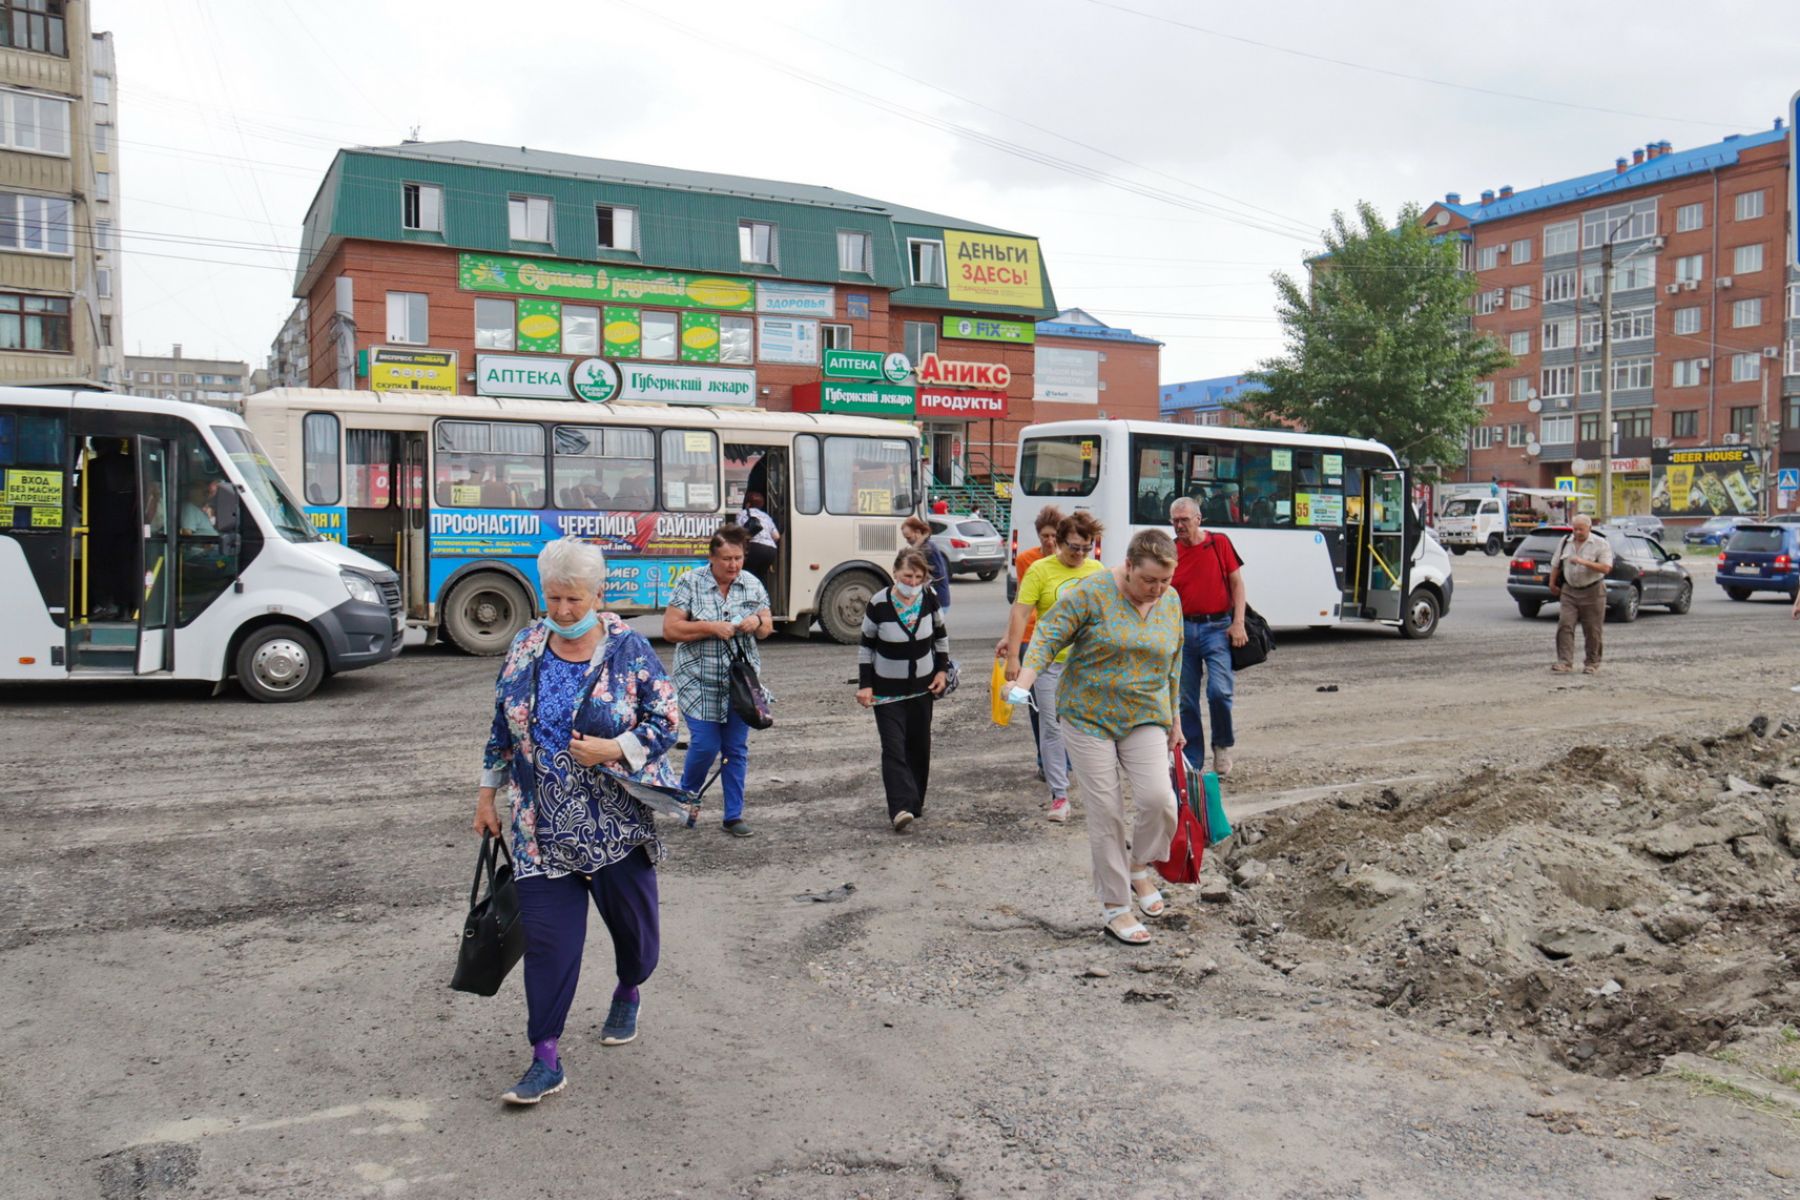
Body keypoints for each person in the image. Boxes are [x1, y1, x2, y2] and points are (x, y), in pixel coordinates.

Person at [472, 538, 684, 1106]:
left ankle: (628, 987)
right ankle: (545, 1056)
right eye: (553, 598)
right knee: (546, 945)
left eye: (574, 598)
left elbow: (666, 721)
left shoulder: (629, 650)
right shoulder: (524, 646)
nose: (563, 611)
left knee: (638, 942)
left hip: (615, 826)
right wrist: (487, 796)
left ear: (598, 593)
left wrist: (614, 747)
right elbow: (501, 725)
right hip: (540, 827)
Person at [1013, 530, 1185, 946]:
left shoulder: (1170, 601)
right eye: (1149, 581)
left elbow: (1174, 661)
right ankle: (1115, 908)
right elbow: (1048, 636)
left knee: (1160, 802)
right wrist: (1024, 680)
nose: (1157, 590)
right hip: (1087, 715)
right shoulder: (1093, 593)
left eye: (1165, 582)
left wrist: (1175, 719)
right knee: (1107, 809)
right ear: (1128, 567)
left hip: (1144, 713)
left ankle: (1139, 867)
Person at [663, 525, 774, 837]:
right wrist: (712, 628)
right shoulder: (690, 583)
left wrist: (758, 622)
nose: (733, 565)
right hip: (697, 681)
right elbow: (671, 630)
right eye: (726, 558)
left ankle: (733, 816)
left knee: (735, 748)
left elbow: (767, 627)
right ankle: (686, 800)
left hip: (739, 685)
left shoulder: (751, 584)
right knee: (706, 745)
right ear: (711, 557)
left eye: (738, 558)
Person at [1001, 511, 1105, 822]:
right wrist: (1013, 658)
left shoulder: (1097, 570)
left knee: (1086, 727)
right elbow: (1020, 613)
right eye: (1074, 547)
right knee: (1051, 727)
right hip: (1047, 664)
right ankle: (1059, 796)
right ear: (1059, 542)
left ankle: (1094, 788)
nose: (1080, 554)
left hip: (1085, 666)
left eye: (1086, 548)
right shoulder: (1040, 570)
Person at [856, 547, 950, 832]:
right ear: (895, 572)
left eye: (918, 577)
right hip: (887, 692)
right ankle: (899, 808)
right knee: (893, 748)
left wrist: (942, 671)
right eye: (907, 576)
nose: (911, 583)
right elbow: (866, 647)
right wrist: (866, 685)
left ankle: (915, 801)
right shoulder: (879, 602)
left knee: (919, 747)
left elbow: (941, 639)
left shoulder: (929, 599)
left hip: (922, 690)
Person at [1169, 497, 1248, 777]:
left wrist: (1238, 623)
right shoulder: (1171, 551)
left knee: (1219, 692)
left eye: (1184, 520)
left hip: (1217, 627)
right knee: (1186, 699)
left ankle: (1222, 745)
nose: (1179, 525)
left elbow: (1237, 584)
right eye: (1175, 520)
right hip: (1183, 632)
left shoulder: (1219, 543)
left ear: (1198, 519)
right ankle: (1193, 758)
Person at [1007, 506, 1063, 775]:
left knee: (1060, 705)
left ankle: (1062, 757)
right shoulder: (1026, 560)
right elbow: (1020, 602)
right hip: (1032, 637)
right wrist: (1009, 641)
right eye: (1044, 536)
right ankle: (1045, 759)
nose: (1049, 541)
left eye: (1053, 535)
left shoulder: (1070, 561)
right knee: (1036, 704)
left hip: (1063, 641)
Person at [1549, 513, 1613, 675]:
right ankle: (1564, 662)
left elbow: (1606, 568)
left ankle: (1592, 662)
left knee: (1592, 629)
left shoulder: (1600, 544)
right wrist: (1552, 583)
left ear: (1589, 528)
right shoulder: (1565, 542)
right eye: (1575, 529)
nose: (1577, 532)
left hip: (1593, 591)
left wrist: (1583, 562)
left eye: (1581, 529)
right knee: (1565, 625)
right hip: (1569, 590)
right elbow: (1556, 564)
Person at [902, 515, 951, 611]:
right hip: (932, 600)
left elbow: (909, 557)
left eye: (908, 537)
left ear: (918, 532)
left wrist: (923, 536)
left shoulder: (928, 547)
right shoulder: (925, 545)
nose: (907, 541)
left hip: (938, 601)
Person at [738, 489, 780, 590]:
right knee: (760, 577)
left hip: (754, 548)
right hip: (770, 550)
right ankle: (761, 601)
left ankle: (748, 600)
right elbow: (777, 536)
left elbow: (738, 533)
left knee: (747, 575)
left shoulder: (742, 514)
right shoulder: (766, 516)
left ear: (747, 504)